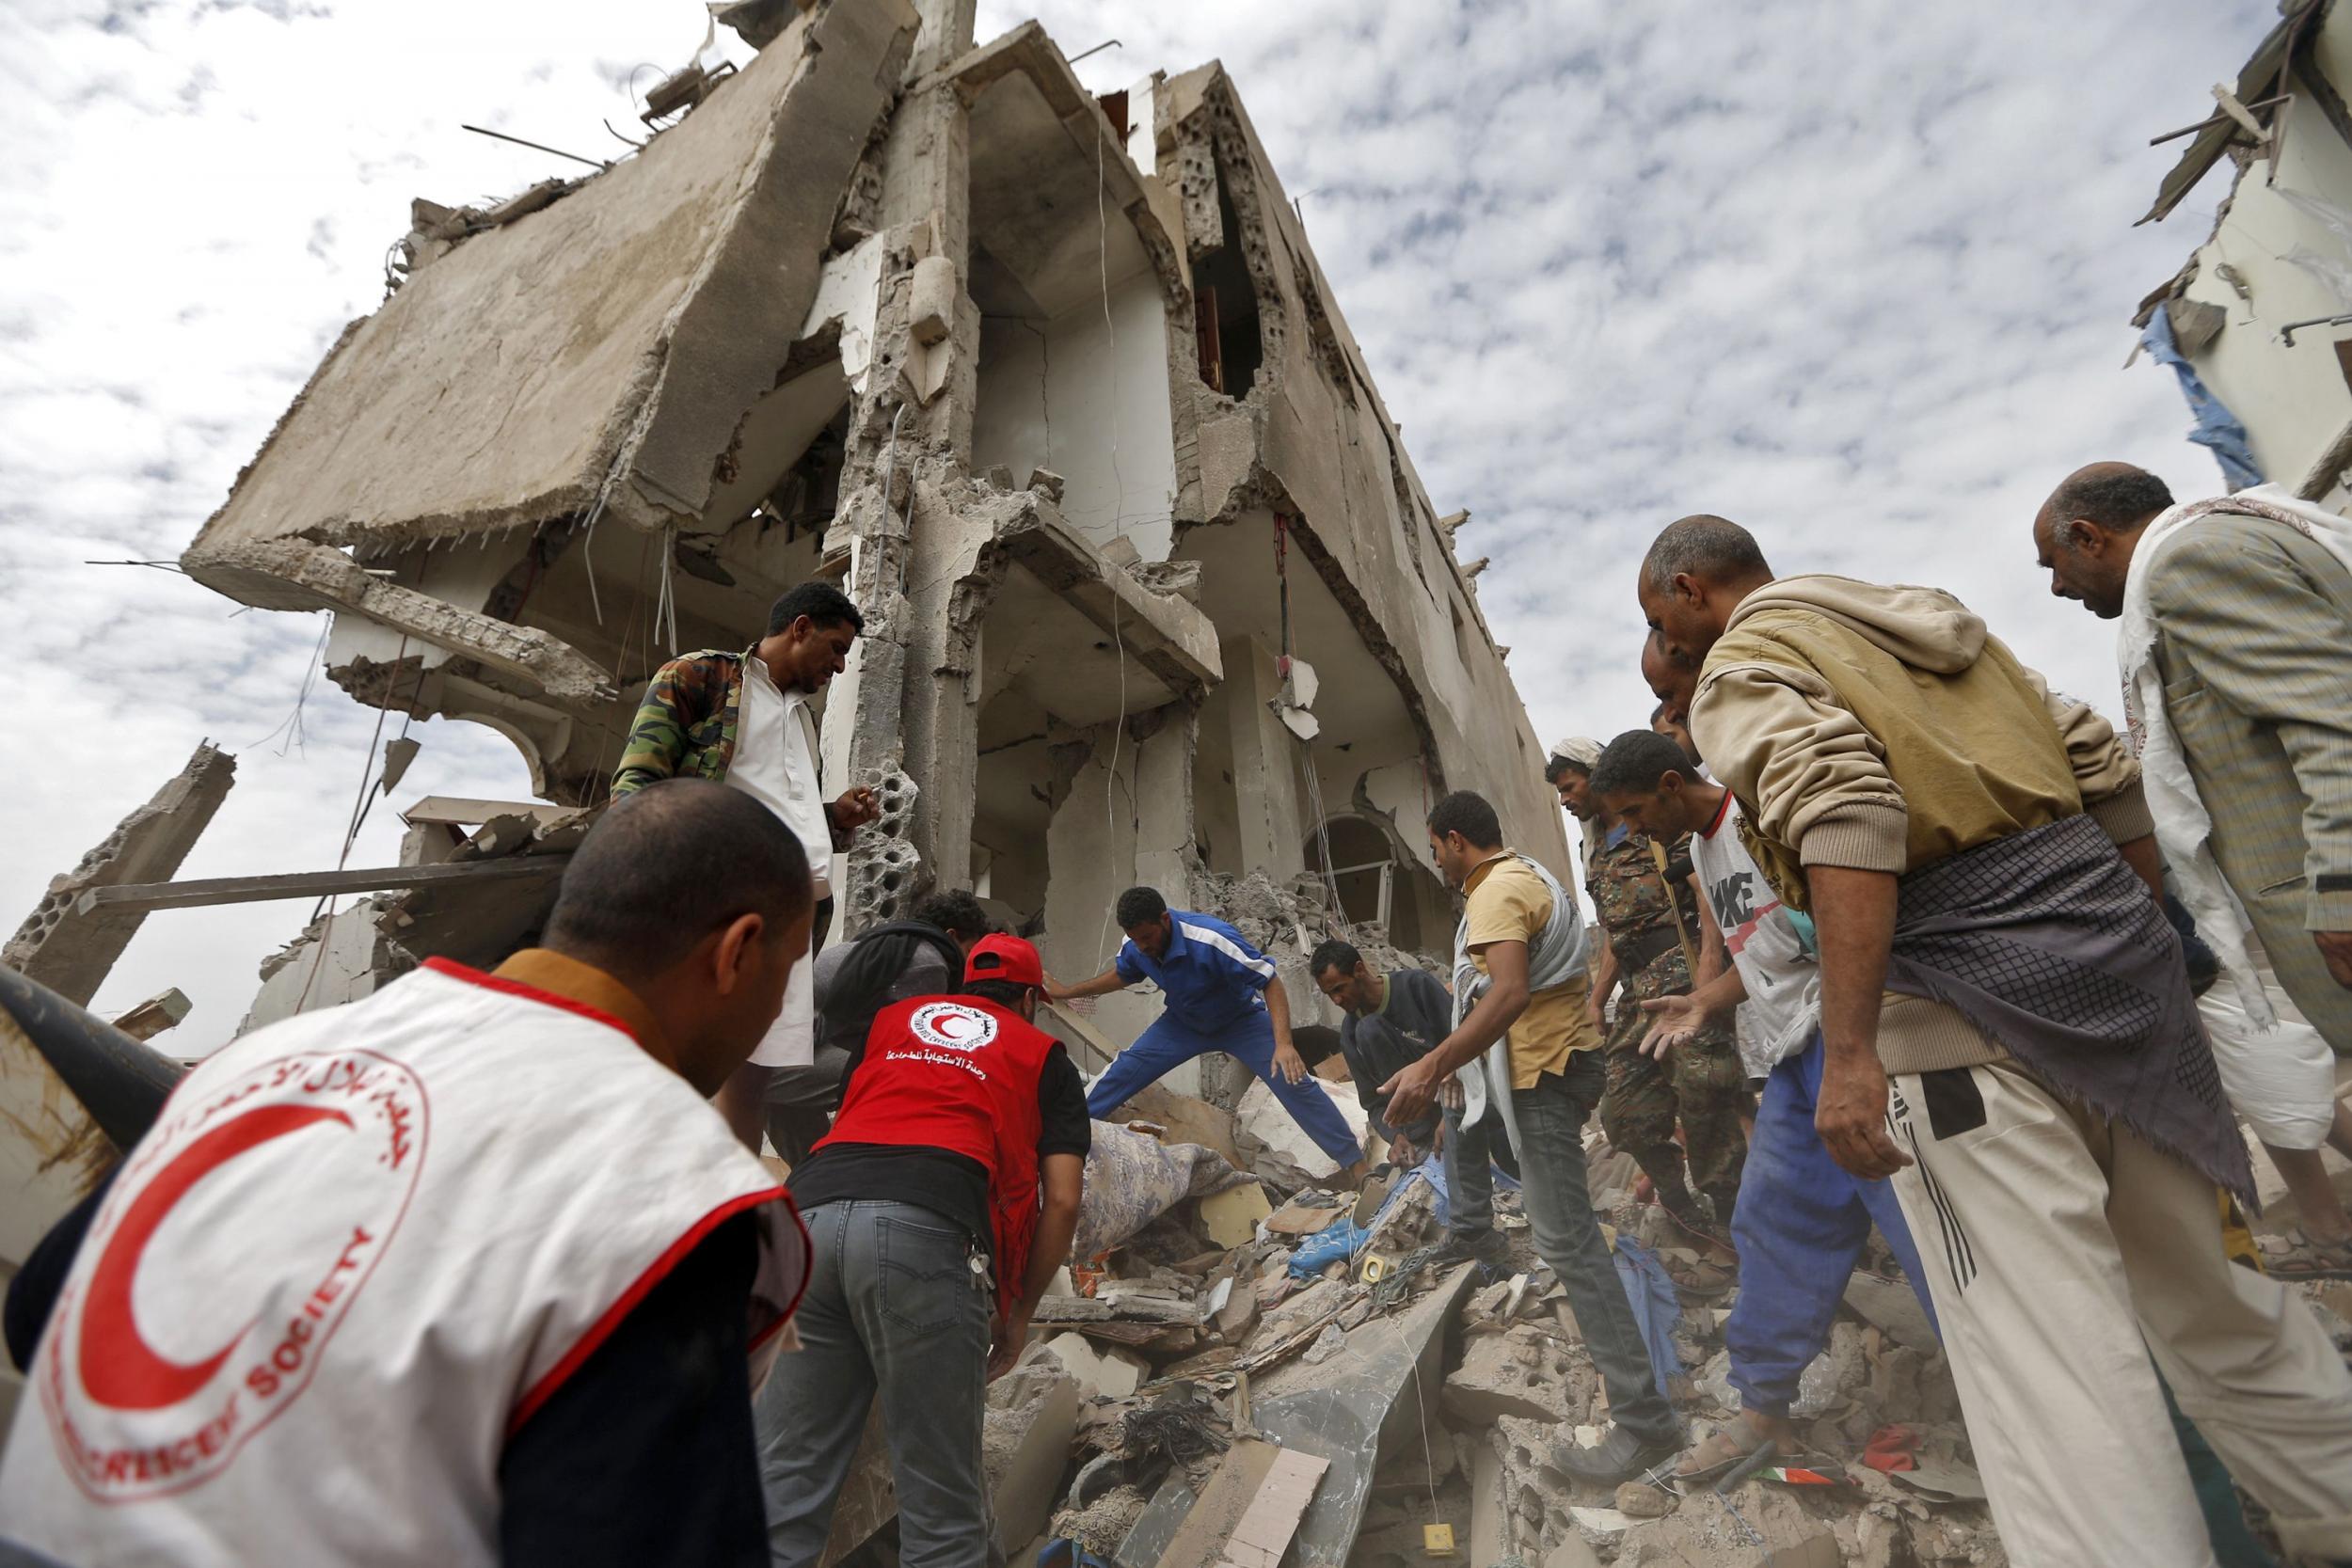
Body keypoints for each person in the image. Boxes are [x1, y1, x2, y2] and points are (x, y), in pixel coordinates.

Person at [1641, 513, 2352, 1566]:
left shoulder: (1747, 665)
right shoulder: (1931, 628)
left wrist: (1848, 1053)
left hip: (1961, 1031)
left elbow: (1844, 815)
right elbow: (2104, 770)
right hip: (2122, 999)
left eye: (1669, 627)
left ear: (1694, 588)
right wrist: (2123, 944)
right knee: (2212, 1304)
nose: (1679, 659)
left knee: (2053, 1373)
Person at [0, 780, 818, 1568]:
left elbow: (44, 1308)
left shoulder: (261, 1064)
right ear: (738, 951)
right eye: (784, 979)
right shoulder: (672, 1181)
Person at [1592, 725, 1939, 1476]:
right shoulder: (1704, 852)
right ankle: (1763, 1412)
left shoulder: (1760, 819)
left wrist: (1853, 1052)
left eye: (1632, 811)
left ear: (1669, 787)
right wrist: (1705, 1002)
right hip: (1791, 1056)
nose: (1630, 829)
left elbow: (1846, 920)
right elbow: (1765, 956)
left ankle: (2022, 1402)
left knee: (1925, 1232)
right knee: (1769, 1219)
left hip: (1853, 1041)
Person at [2036, 461, 2352, 1278]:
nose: (2058, 588)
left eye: (2055, 565)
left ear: (2088, 535)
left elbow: (2332, 719)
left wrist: (2341, 888)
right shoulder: (2237, 532)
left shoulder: (2187, 567)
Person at [753, 935, 1088, 1566]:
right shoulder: (1046, 1056)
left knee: (783, 1493)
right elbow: (1063, 1201)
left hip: (807, 1219)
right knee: (940, 1516)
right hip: (926, 1224)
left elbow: (853, 1115)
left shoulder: (889, 1024)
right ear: (1029, 999)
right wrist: (1016, 1315)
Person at [1381, 791, 1683, 1483]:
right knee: (1537, 1203)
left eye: (1433, 849)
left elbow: (1508, 992)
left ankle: (1645, 1422)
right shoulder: (1527, 875)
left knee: (1567, 1239)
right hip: (1550, 1066)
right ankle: (1475, 1231)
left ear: (1455, 839)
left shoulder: (1497, 891)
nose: (1435, 863)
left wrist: (1434, 1063)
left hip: (1543, 1074)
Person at [612, 579, 885, 1149]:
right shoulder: (701, 677)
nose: (838, 666)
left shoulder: (803, 720)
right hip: (718, 900)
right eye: (835, 648)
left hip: (793, 918)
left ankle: (729, 1188)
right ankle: (650, 1179)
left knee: (755, 1062)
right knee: (683, 1047)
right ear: (800, 627)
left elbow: (791, 812)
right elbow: (637, 782)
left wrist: (834, 816)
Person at [1054, 888, 1367, 1184]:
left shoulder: (1211, 939)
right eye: (1136, 940)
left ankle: (1357, 1166)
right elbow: (1124, 973)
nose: (1142, 946)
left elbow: (1269, 980)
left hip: (1241, 1020)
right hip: (1183, 1023)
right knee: (1124, 1070)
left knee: (1294, 1082)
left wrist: (1284, 1045)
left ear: (1164, 920)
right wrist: (1070, 992)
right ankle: (1056, 1139)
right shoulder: (1136, 943)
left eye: (1147, 938)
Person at [1576, 726, 1747, 1239]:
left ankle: (1735, 1223)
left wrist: (1706, 977)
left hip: (1682, 967)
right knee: (1623, 1113)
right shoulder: (1599, 853)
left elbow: (1705, 895)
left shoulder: (1667, 825)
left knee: (1707, 1100)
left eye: (1569, 786)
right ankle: (1683, 1206)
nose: (1565, 799)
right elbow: (1613, 932)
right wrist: (1598, 998)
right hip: (1639, 988)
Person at [1311, 940, 1512, 1268]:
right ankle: (1428, 1151)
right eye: (1329, 994)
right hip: (1421, 1127)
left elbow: (1472, 1044)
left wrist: (1451, 1113)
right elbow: (1372, 1103)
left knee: (1510, 1153)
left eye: (1340, 988)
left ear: (1359, 970)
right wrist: (1396, 1137)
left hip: (1469, 1095)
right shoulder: (1350, 1034)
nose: (1336, 999)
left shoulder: (1416, 987)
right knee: (1367, 1029)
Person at [763, 890, 996, 1164]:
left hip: (766, 1046)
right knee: (906, 1073)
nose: (970, 966)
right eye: (971, 951)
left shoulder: (890, 942)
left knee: (783, 1107)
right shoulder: (930, 961)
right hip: (773, 1055)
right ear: (952, 935)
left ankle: (815, 1177)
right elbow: (911, 1047)